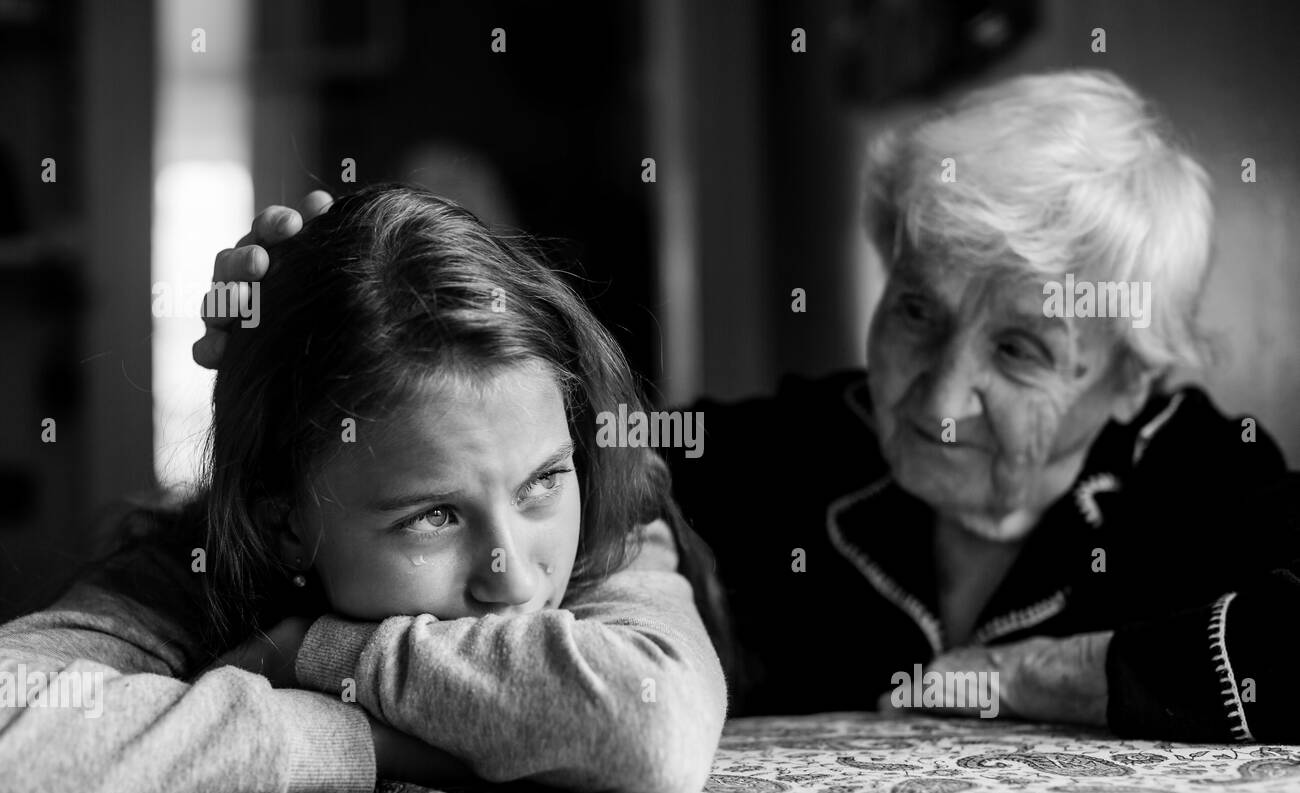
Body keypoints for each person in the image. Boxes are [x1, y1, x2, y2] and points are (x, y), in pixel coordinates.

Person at [198, 71, 1300, 745]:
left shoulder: (1200, 474)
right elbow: (515, 462)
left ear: (1131, 378)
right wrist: (313, 363)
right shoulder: (798, 445)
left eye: (1020, 348)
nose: (935, 391)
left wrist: (1036, 675)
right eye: (915, 310)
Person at [0, 185, 727, 793]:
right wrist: (365, 740)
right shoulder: (188, 579)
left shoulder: (612, 521)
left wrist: (316, 651)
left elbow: (651, 728)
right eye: (434, 516)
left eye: (542, 482)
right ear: (283, 525)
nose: (517, 577)